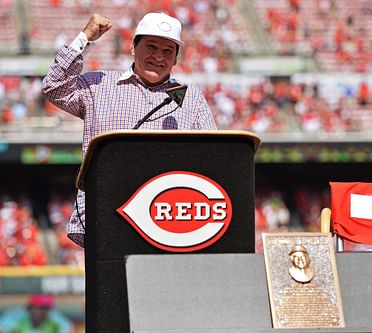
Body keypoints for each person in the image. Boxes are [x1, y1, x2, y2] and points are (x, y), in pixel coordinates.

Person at [41, 12, 217, 247]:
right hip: (107, 216)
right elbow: (54, 87)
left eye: (168, 51)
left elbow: (215, 157)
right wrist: (85, 37)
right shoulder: (99, 85)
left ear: (176, 59)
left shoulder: (190, 96)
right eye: (151, 46)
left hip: (171, 222)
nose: (158, 56)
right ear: (133, 47)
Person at [0, 294, 73, 333]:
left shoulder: (56, 321)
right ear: (30, 308)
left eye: (46, 308)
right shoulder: (15, 317)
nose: (43, 312)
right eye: (40, 308)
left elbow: (68, 328)